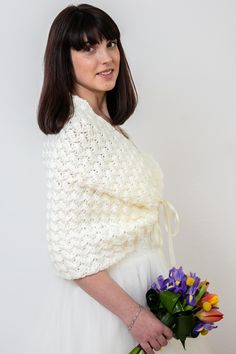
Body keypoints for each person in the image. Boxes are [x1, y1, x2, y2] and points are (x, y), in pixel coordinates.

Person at [26, 4, 212, 354]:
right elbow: (67, 253)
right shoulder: (76, 133)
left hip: (138, 282)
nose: (107, 57)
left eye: (111, 43)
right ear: (62, 59)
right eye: (87, 48)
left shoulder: (104, 126)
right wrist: (133, 316)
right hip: (112, 301)